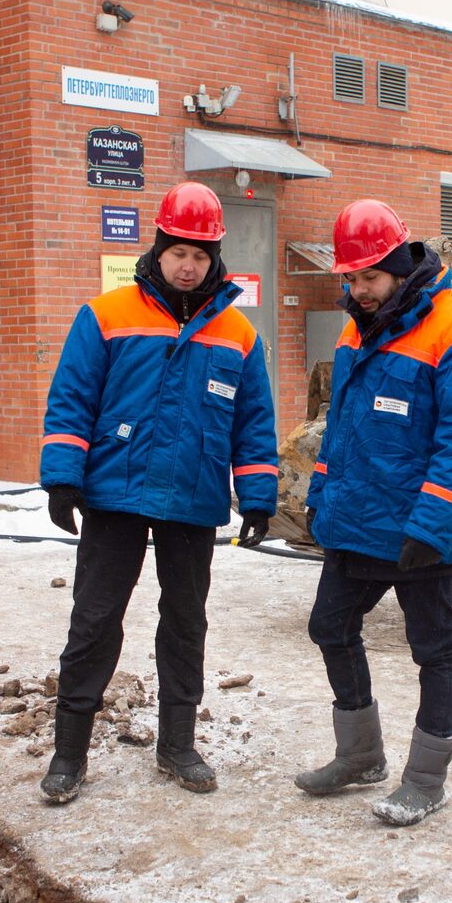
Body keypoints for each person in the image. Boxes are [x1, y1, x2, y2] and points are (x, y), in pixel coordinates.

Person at [37, 181, 279, 804]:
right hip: (115, 494)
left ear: (215, 257)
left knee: (184, 623)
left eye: (201, 255)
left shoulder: (240, 334)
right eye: (179, 252)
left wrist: (256, 495)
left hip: (194, 499)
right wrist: (63, 477)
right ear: (160, 248)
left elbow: (254, 425)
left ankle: (177, 744)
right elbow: (72, 398)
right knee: (94, 621)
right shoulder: (107, 315)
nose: (189, 265)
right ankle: (69, 754)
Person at [295, 199, 452, 827]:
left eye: (369, 278)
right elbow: (341, 429)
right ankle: (360, 756)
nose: (358, 290)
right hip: (358, 520)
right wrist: (320, 498)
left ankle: (425, 779)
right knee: (329, 627)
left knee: (432, 650)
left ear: (398, 266)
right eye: (350, 279)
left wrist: (433, 526)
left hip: (420, 529)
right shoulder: (355, 327)